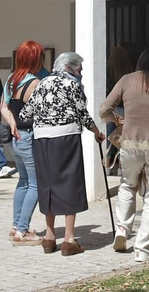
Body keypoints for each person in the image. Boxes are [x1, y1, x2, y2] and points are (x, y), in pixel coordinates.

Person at [20, 51, 105, 256]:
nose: (80, 73)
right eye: (79, 69)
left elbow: (24, 114)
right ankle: (68, 239)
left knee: (47, 184)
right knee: (69, 183)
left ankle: (50, 237)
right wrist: (97, 132)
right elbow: (82, 113)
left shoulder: (41, 84)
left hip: (41, 139)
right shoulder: (72, 84)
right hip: (66, 137)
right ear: (69, 68)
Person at [102, 47, 149, 262]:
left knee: (127, 186)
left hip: (130, 143)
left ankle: (122, 231)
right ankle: (143, 248)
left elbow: (104, 109)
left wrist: (118, 120)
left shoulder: (127, 80)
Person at [0, 40, 44, 246]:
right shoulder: (35, 83)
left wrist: (12, 124)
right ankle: (22, 231)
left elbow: (3, 107)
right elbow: (42, 113)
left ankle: (16, 226)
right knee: (35, 184)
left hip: (15, 140)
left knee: (23, 182)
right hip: (29, 137)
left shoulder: (10, 79)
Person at [102, 46, 135, 174]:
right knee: (123, 135)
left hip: (113, 108)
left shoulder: (108, 71)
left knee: (111, 135)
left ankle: (107, 164)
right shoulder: (129, 72)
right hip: (126, 108)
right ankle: (121, 165)